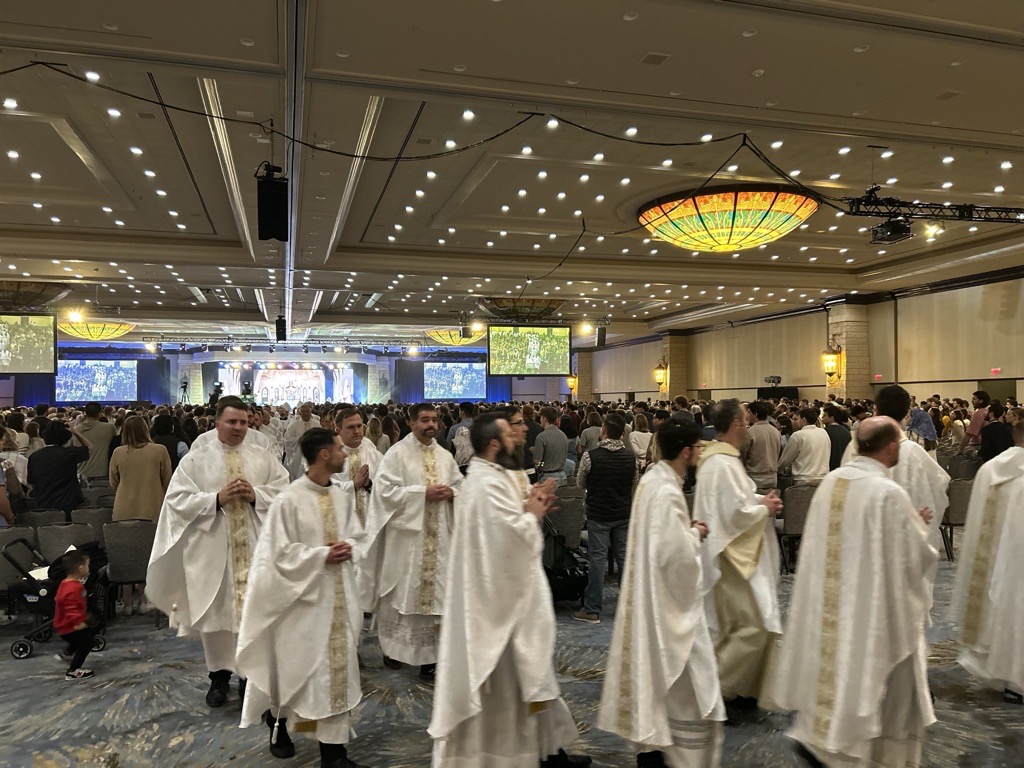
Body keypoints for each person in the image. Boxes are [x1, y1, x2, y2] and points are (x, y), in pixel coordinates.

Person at [769, 417, 938, 766]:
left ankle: (820, 737)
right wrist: (917, 528)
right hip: (872, 605)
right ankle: (847, 750)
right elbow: (915, 556)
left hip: (834, 600)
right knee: (878, 681)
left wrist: (908, 524)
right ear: (891, 448)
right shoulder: (887, 492)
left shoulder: (833, 480)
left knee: (835, 670)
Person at [428, 411, 590, 768]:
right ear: (494, 444)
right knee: (509, 688)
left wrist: (528, 504)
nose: (521, 436)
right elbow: (506, 540)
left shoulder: (494, 477)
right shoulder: (484, 484)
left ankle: (547, 752)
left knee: (529, 679)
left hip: (508, 599)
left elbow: (503, 526)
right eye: (512, 433)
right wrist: (530, 514)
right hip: (495, 612)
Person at [237, 428, 369, 767]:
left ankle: (334, 753)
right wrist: (319, 556)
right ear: (324, 454)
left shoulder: (342, 495)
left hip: (338, 598)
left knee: (335, 674)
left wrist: (350, 547)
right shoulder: (289, 499)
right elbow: (277, 555)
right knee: (297, 671)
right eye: (339, 448)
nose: (345, 453)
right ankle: (278, 725)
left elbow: (357, 534)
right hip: (300, 602)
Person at [146, 396, 290, 708]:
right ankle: (218, 677)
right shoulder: (198, 459)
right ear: (217, 423)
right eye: (232, 422)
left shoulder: (261, 455)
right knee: (217, 618)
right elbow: (176, 501)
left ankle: (250, 677)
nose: (239, 427)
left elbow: (284, 490)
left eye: (244, 421)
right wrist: (215, 499)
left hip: (254, 550)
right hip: (213, 553)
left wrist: (257, 496)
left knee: (254, 614)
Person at [598, 420, 725, 767]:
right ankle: (674, 754)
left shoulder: (654, 479)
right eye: (698, 448)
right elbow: (673, 555)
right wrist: (695, 534)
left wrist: (685, 531)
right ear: (685, 451)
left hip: (651, 594)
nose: (700, 453)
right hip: (668, 604)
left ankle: (655, 748)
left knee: (660, 679)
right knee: (689, 685)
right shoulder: (667, 490)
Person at [694, 399, 783, 710]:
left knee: (737, 627)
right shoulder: (720, 463)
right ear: (735, 425)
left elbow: (739, 499)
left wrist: (760, 499)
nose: (748, 426)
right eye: (745, 421)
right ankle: (714, 690)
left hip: (732, 551)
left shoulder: (724, 460)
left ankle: (742, 688)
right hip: (730, 555)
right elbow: (733, 514)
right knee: (754, 627)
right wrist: (763, 507)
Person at [365, 402, 462, 680]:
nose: (430, 424)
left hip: (439, 538)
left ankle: (430, 659)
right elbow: (384, 493)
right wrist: (422, 493)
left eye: (434, 420)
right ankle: (394, 649)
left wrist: (453, 494)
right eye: (424, 420)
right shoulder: (397, 454)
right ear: (411, 422)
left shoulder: (445, 456)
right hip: (408, 540)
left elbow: (460, 485)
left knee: (436, 598)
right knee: (402, 592)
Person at [950, 420, 1024, 705]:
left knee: (1003, 611)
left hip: (994, 558)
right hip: (1015, 555)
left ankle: (1007, 675)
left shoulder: (991, 469)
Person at [842, 385, 950, 557]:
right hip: (904, 544)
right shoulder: (914, 453)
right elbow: (938, 490)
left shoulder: (855, 446)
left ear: (875, 409)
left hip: (865, 540)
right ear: (907, 412)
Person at [572, 411, 637, 624]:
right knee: (624, 559)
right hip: (623, 513)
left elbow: (581, 484)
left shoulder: (591, 456)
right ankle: (629, 607)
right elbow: (633, 485)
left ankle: (592, 609)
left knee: (597, 560)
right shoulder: (631, 457)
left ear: (604, 431)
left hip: (598, 514)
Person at [109, 415, 173, 615]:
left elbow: (113, 482)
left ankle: (127, 602)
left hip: (123, 508)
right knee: (149, 554)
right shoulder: (159, 450)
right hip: (152, 505)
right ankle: (145, 599)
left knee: (125, 554)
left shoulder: (118, 452)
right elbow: (168, 479)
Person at [334, 408, 382, 611]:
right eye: (350, 427)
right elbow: (321, 487)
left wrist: (370, 484)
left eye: (359, 426)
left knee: (368, 561)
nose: (357, 431)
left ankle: (366, 604)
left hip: (370, 515)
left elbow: (387, 485)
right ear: (338, 429)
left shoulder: (373, 452)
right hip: (343, 521)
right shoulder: (330, 453)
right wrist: (352, 485)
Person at [27, 420, 91, 518]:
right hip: (68, 503)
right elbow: (89, 447)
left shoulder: (34, 457)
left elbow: (32, 482)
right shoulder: (69, 453)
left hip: (44, 503)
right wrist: (75, 432)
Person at [54, 550, 98, 681]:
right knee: (86, 644)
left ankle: (68, 653)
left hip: (64, 625)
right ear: (81, 568)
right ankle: (73, 671)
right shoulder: (74, 588)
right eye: (88, 565)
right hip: (70, 626)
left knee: (86, 635)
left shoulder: (65, 583)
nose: (89, 568)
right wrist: (79, 622)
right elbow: (70, 608)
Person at [777, 407, 831, 485]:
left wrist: (778, 470)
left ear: (804, 419)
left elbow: (786, 459)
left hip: (803, 479)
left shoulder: (798, 435)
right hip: (823, 477)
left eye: (798, 419)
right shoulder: (824, 433)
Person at [743, 401, 781, 493]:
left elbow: (743, 454)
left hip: (755, 477)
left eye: (748, 412)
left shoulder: (750, 432)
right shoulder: (776, 431)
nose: (747, 415)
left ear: (755, 414)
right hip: (772, 476)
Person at [76, 402, 116, 483]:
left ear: (85, 413)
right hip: (102, 474)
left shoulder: (75, 431)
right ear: (100, 413)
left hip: (81, 474)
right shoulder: (109, 428)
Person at [534, 406, 569, 486]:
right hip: (562, 476)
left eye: (541, 418)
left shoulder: (541, 437)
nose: (540, 420)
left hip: (547, 479)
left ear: (545, 419)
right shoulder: (563, 435)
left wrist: (542, 464)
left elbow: (538, 462)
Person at [284, 403, 318, 479]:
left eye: (307, 411)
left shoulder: (317, 424)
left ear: (310, 412)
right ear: (300, 413)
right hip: (298, 454)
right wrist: (299, 439)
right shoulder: (294, 425)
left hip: (314, 453)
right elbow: (287, 440)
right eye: (303, 411)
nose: (305, 413)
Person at [820, 404, 851, 471]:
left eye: (824, 415)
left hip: (830, 466)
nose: (822, 417)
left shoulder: (825, 432)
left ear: (832, 418)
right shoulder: (846, 431)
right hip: (845, 465)